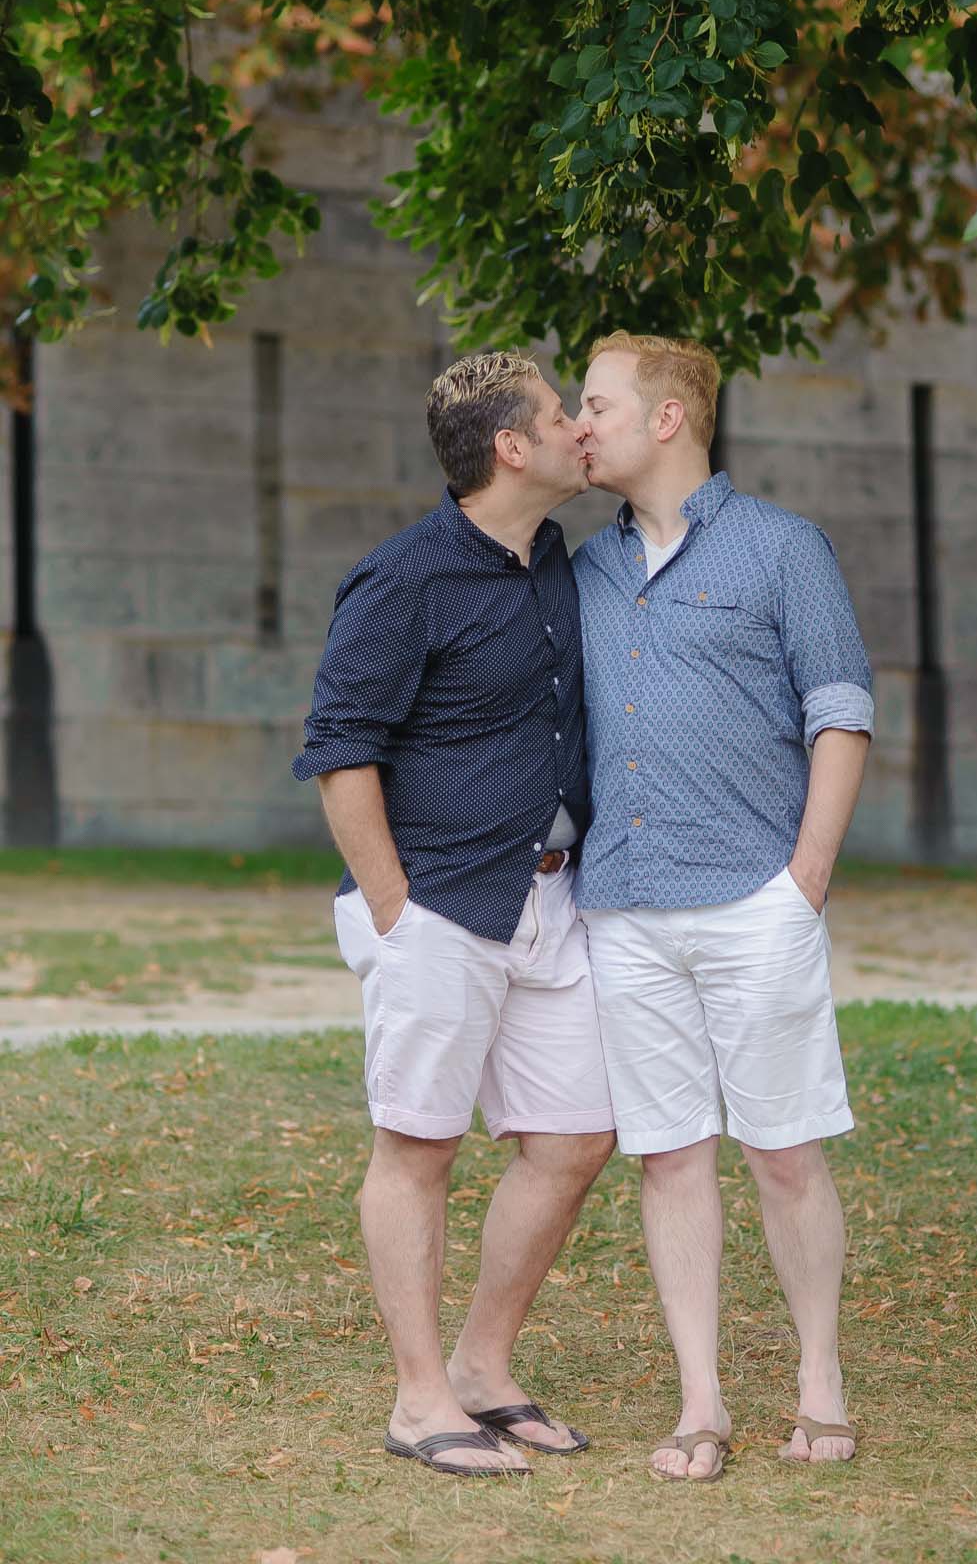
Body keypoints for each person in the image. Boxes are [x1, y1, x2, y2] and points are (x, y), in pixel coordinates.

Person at [292, 351, 615, 1479]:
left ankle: (482, 1367)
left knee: (575, 1138)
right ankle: (418, 1396)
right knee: (417, 1145)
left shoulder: (557, 559)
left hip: (551, 897)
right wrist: (395, 910)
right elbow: (340, 750)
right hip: (435, 902)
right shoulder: (402, 579)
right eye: (560, 414)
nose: (580, 428)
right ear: (511, 448)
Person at [572, 331, 874, 1483]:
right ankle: (699, 1398)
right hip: (624, 905)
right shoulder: (581, 571)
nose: (578, 424)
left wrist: (803, 883)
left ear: (666, 417)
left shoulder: (783, 547)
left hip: (756, 897)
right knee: (667, 1157)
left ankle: (819, 1378)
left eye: (595, 404)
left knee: (784, 1151)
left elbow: (839, 711)